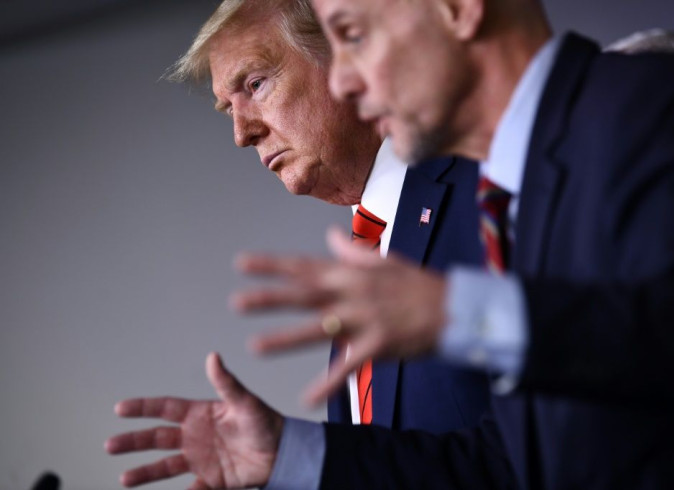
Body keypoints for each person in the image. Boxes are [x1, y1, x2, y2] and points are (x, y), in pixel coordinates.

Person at [226, 0, 674, 488]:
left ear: (459, 7)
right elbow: (511, 466)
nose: (341, 78)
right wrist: (286, 455)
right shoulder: (515, 196)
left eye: (354, 35)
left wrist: (464, 314)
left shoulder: (648, 99)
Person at [105, 0, 515, 488]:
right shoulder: (365, 255)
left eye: (255, 84)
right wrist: (289, 457)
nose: (241, 133)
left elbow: (545, 450)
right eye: (227, 109)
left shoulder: (492, 189)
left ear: (346, 57)